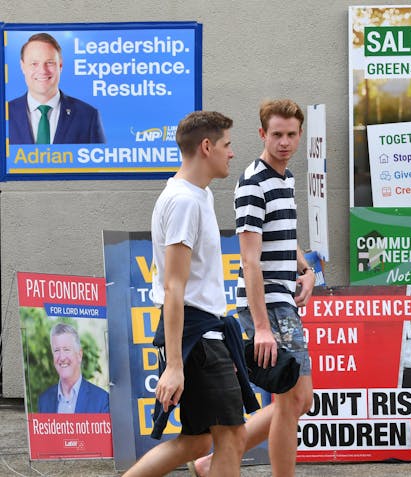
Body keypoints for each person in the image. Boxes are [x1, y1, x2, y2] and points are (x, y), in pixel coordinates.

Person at [123, 111, 258, 477]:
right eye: (227, 144)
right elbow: (173, 286)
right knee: (231, 436)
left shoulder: (199, 194)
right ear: (206, 146)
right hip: (198, 339)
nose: (232, 153)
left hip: (203, 334)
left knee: (199, 441)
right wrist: (174, 366)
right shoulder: (183, 201)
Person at [191, 99, 315, 477]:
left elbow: (283, 234)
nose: (284, 142)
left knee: (298, 400)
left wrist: (305, 267)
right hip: (267, 306)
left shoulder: (286, 178)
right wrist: (261, 326)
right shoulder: (253, 183)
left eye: (291, 134)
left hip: (284, 301)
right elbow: (249, 260)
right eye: (276, 134)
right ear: (262, 134)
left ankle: (215, 460)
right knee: (291, 399)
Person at [8, 32, 105, 144]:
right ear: (22, 66)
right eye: (34, 64)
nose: (43, 71)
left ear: (60, 66)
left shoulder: (88, 116)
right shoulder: (5, 113)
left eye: (49, 63)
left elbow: (99, 160)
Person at [37, 322, 109, 414]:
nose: (62, 357)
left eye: (66, 349)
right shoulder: (44, 401)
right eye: (56, 350)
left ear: (79, 355)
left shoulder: (102, 400)